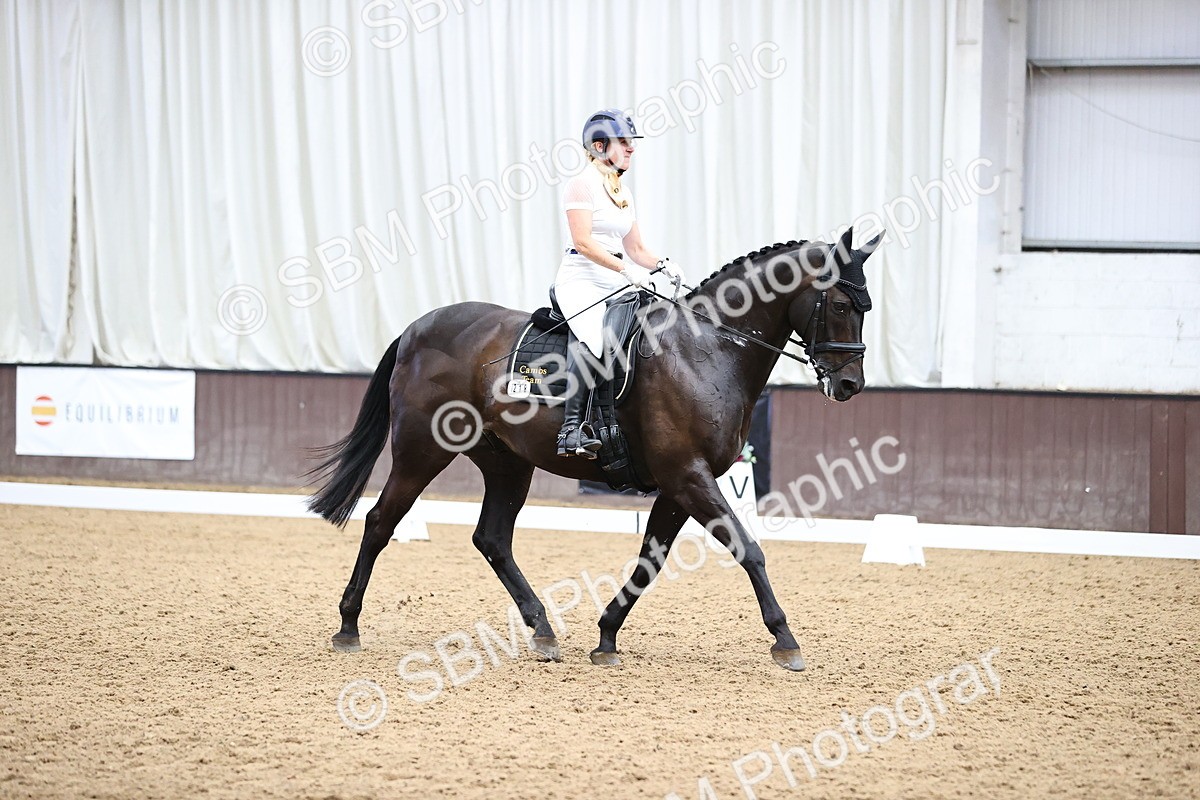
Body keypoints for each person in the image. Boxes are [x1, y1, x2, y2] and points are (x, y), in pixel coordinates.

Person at [552, 108, 683, 459]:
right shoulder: (581, 184)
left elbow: (636, 248)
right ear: (599, 147)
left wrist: (663, 265)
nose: (631, 149)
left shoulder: (622, 191)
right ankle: (571, 430)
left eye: (631, 143)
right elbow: (584, 242)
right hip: (582, 278)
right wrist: (625, 270)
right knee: (596, 338)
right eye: (623, 142)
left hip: (616, 278)